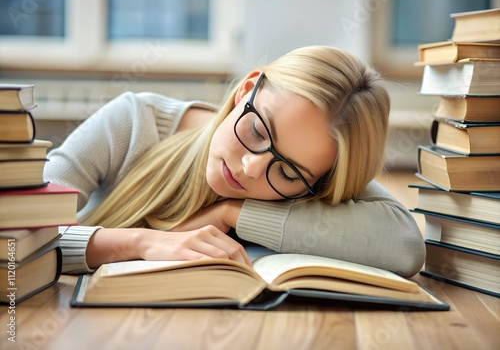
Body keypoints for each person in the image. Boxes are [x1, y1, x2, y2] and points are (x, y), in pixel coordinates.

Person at [44, 45, 425, 278]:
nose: (251, 168)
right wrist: (145, 243)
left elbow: (404, 244)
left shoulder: (314, 181)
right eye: (259, 131)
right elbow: (16, 234)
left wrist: (232, 213)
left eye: (288, 171)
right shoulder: (133, 121)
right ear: (246, 89)